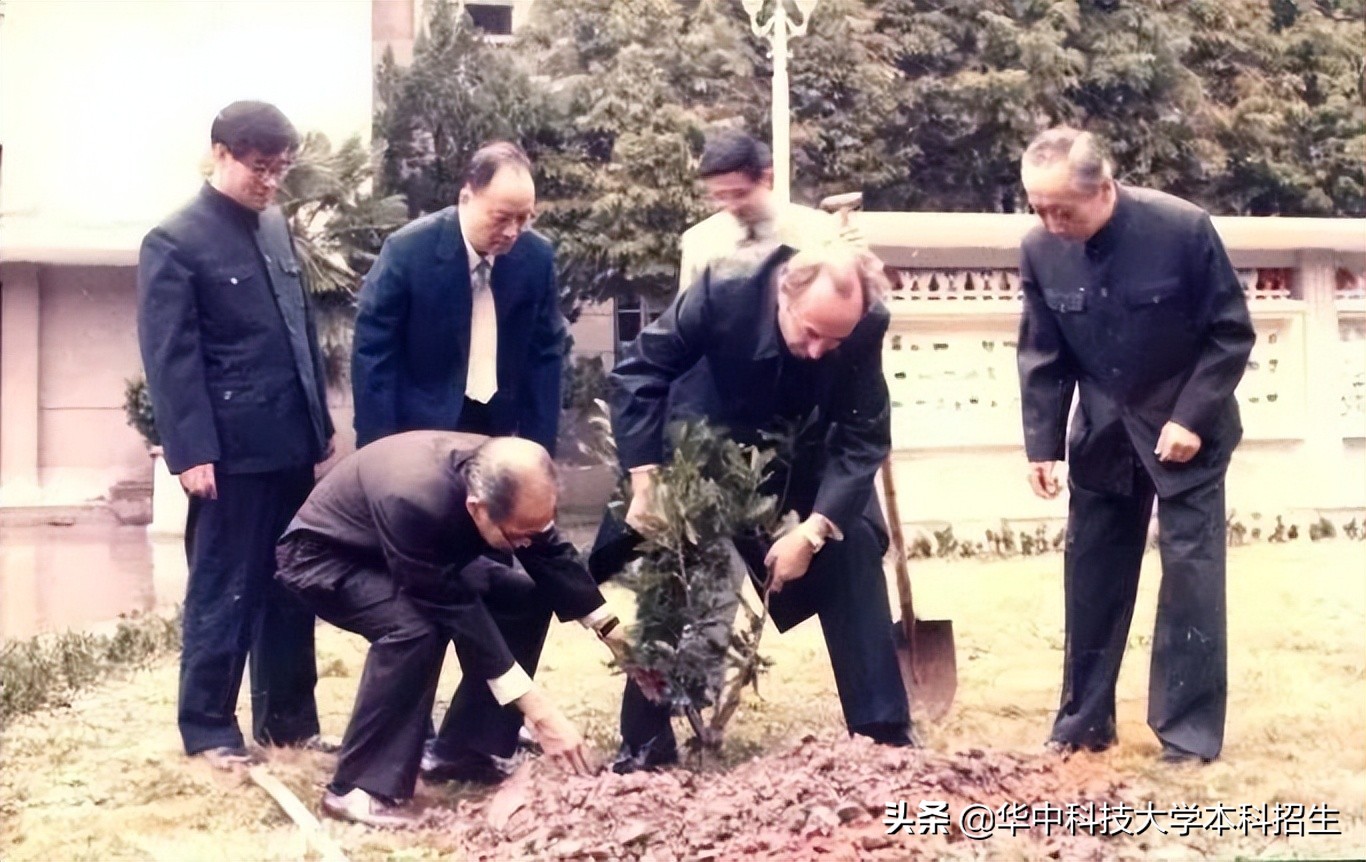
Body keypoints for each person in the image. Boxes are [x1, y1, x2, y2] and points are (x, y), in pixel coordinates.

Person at [593, 241, 914, 772]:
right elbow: (639, 374)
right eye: (810, 332)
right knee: (675, 563)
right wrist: (646, 481)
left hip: (800, 455)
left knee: (852, 544)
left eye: (834, 340)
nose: (819, 351)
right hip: (704, 439)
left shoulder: (867, 321)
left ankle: (882, 735)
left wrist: (812, 531)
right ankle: (646, 741)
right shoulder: (723, 291)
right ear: (784, 294)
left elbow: (863, 436)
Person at [1015, 127, 1255, 764]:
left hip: (1186, 431)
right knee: (1091, 573)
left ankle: (1187, 736)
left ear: (1104, 189)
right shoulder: (1040, 249)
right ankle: (1082, 724)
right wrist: (1043, 444)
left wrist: (1191, 417)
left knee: (1190, 579)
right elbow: (1042, 351)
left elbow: (1230, 333)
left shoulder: (1182, 229)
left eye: (1063, 210)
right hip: (1102, 433)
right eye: (1038, 209)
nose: (1051, 223)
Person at [276, 433, 626, 827]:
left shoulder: (508, 474)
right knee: (414, 629)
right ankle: (357, 788)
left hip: (409, 550)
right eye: (517, 534)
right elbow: (457, 611)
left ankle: (465, 750)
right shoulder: (413, 498)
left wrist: (613, 633)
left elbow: (547, 549)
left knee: (522, 597)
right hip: (325, 557)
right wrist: (539, 711)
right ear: (477, 508)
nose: (526, 542)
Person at [136, 101, 335, 768]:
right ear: (220, 153)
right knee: (224, 589)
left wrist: (319, 426)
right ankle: (208, 729)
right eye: (259, 167)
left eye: (281, 169)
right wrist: (192, 451)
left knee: (291, 585)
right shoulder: (174, 240)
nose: (271, 182)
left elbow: (300, 333)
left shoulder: (276, 227)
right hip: (229, 455)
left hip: (290, 445)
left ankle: (290, 723)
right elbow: (171, 358)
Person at [350, 140, 565, 454]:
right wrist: (377, 451)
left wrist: (540, 450)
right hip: (420, 431)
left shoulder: (536, 257)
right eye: (502, 217)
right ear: (466, 198)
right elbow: (373, 354)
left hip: (499, 430)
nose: (512, 232)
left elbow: (545, 357)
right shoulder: (408, 251)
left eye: (524, 219)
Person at [677, 130, 839, 293]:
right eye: (720, 197)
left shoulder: (818, 232)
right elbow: (688, 308)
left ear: (766, 179)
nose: (732, 206)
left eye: (740, 194)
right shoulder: (699, 243)